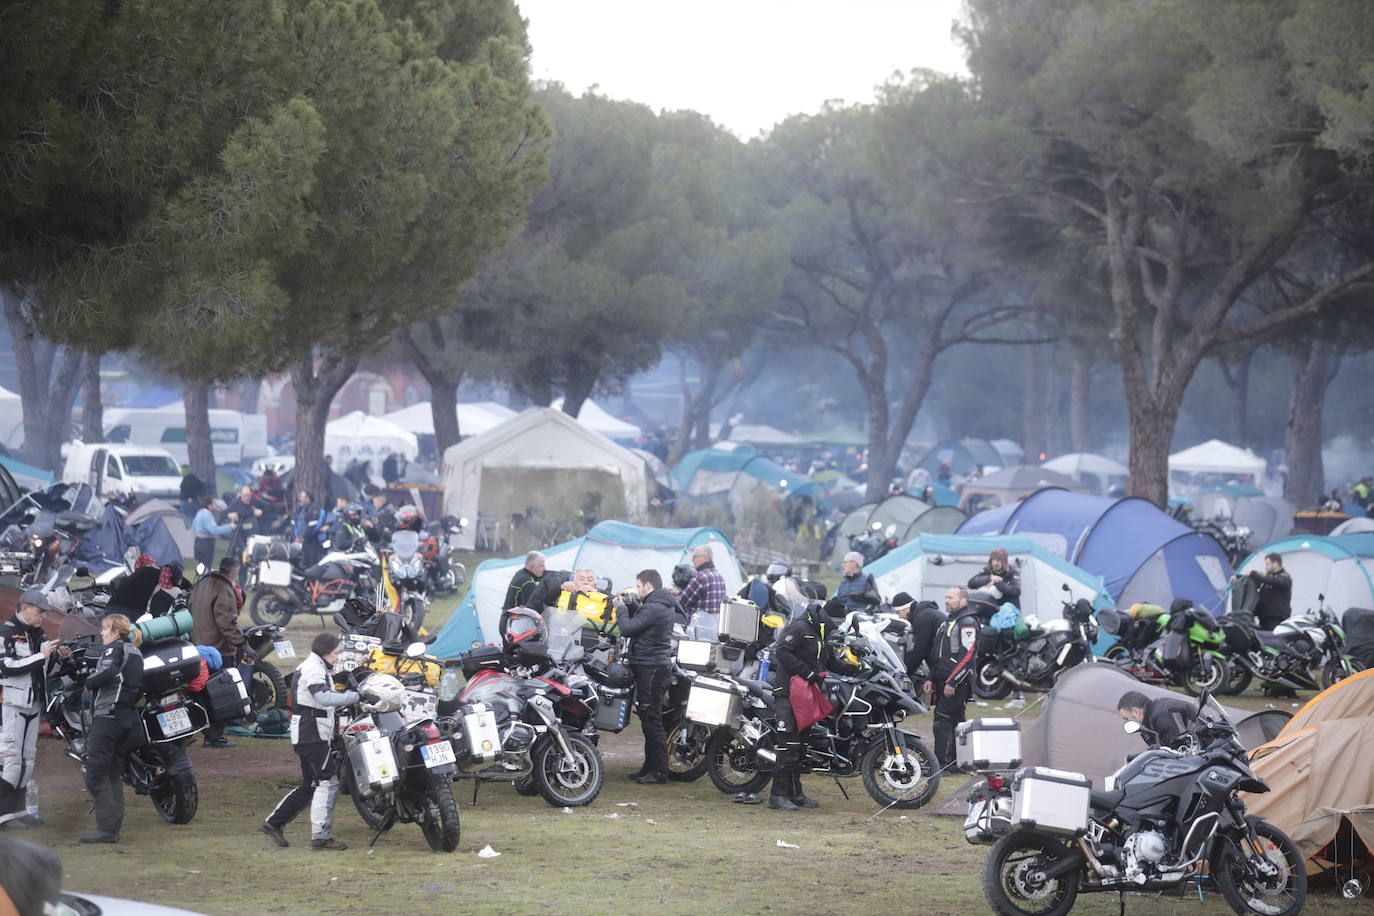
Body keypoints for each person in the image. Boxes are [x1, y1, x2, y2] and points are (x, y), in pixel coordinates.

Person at [261, 632, 359, 850]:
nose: (337, 656)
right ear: (325, 651)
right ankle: (321, 836)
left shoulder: (313, 666)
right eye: (335, 652)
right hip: (311, 732)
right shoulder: (314, 669)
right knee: (328, 780)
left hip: (308, 732)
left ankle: (274, 823)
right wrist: (355, 696)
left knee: (311, 784)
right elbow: (322, 698)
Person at [767, 599, 861, 810]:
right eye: (835, 622)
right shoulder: (800, 627)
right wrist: (806, 671)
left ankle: (795, 793)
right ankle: (777, 795)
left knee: (801, 747)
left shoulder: (821, 633)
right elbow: (782, 652)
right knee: (788, 746)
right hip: (788, 693)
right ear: (827, 617)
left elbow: (829, 661)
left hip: (807, 695)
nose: (836, 627)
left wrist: (856, 670)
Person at [0, 590, 62, 829]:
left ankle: (19, 812)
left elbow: (44, 667)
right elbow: (6, 667)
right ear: (24, 607)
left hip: (34, 703)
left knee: (28, 759)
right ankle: (4, 816)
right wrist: (40, 656)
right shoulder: (5, 632)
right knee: (11, 761)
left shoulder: (38, 633)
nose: (42, 617)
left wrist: (58, 658)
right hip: (11, 704)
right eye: (39, 612)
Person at [81, 613, 145, 843]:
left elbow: (107, 672)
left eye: (105, 629)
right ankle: (112, 826)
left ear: (116, 631)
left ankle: (107, 828)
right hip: (127, 718)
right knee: (112, 774)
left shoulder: (114, 649)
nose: (101, 633)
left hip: (108, 718)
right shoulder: (134, 651)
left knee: (96, 774)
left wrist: (88, 681)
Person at [619, 569, 677, 785]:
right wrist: (632, 605)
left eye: (638, 586)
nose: (637, 589)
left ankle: (659, 771)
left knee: (652, 719)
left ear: (648, 587)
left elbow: (627, 629)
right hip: (652, 667)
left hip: (651, 669)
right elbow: (644, 619)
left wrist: (620, 609)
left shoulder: (654, 607)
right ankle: (649, 767)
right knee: (647, 718)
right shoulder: (658, 604)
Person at [190, 557, 247, 748]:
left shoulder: (202, 583)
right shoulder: (224, 590)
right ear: (233, 572)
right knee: (221, 694)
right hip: (218, 650)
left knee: (202, 693)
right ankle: (214, 736)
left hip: (198, 646)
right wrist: (242, 644)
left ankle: (205, 731)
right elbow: (227, 624)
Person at [923, 586, 979, 769]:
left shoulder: (967, 622)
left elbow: (968, 655)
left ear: (963, 601)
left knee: (942, 721)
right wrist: (931, 677)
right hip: (942, 679)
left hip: (956, 682)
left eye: (951, 598)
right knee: (956, 722)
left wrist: (953, 681)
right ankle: (958, 763)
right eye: (946, 597)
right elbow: (937, 654)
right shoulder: (948, 621)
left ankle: (941, 765)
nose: (947, 600)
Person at [1117, 690, 1197, 751]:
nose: (1127, 722)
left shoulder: (1161, 716)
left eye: (1127, 719)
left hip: (1204, 750)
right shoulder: (1151, 718)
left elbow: (1179, 750)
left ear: (1136, 712)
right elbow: (1160, 751)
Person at [678, 544, 728, 640]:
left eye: (695, 557)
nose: (692, 560)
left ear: (705, 558)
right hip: (713, 632)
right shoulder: (719, 576)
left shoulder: (700, 577)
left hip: (697, 631)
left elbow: (682, 602)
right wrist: (679, 592)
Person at [892, 592, 946, 682]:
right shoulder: (925, 613)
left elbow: (920, 649)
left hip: (944, 663)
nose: (900, 617)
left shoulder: (922, 617)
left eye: (898, 613)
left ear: (905, 609)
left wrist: (904, 672)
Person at [192, 496, 236, 575]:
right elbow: (214, 530)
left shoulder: (200, 512)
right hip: (206, 543)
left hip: (198, 542)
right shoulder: (207, 515)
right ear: (209, 506)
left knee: (201, 567)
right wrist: (230, 527)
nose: (217, 505)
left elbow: (193, 526)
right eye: (214, 503)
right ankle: (205, 584)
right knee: (206, 566)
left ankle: (200, 583)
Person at [1250, 553, 1292, 631]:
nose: (1266, 567)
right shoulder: (1267, 579)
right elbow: (1253, 582)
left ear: (1275, 564)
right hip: (1264, 619)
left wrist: (1257, 574)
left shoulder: (1285, 577)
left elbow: (1277, 581)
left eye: (1267, 564)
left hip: (1276, 620)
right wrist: (1238, 577)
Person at [291, 489, 328, 567]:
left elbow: (313, 526)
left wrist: (304, 537)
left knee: (312, 563)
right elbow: (295, 523)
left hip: (312, 541)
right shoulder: (301, 509)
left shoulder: (314, 508)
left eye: (302, 496)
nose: (300, 498)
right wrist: (296, 536)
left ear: (308, 498)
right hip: (301, 541)